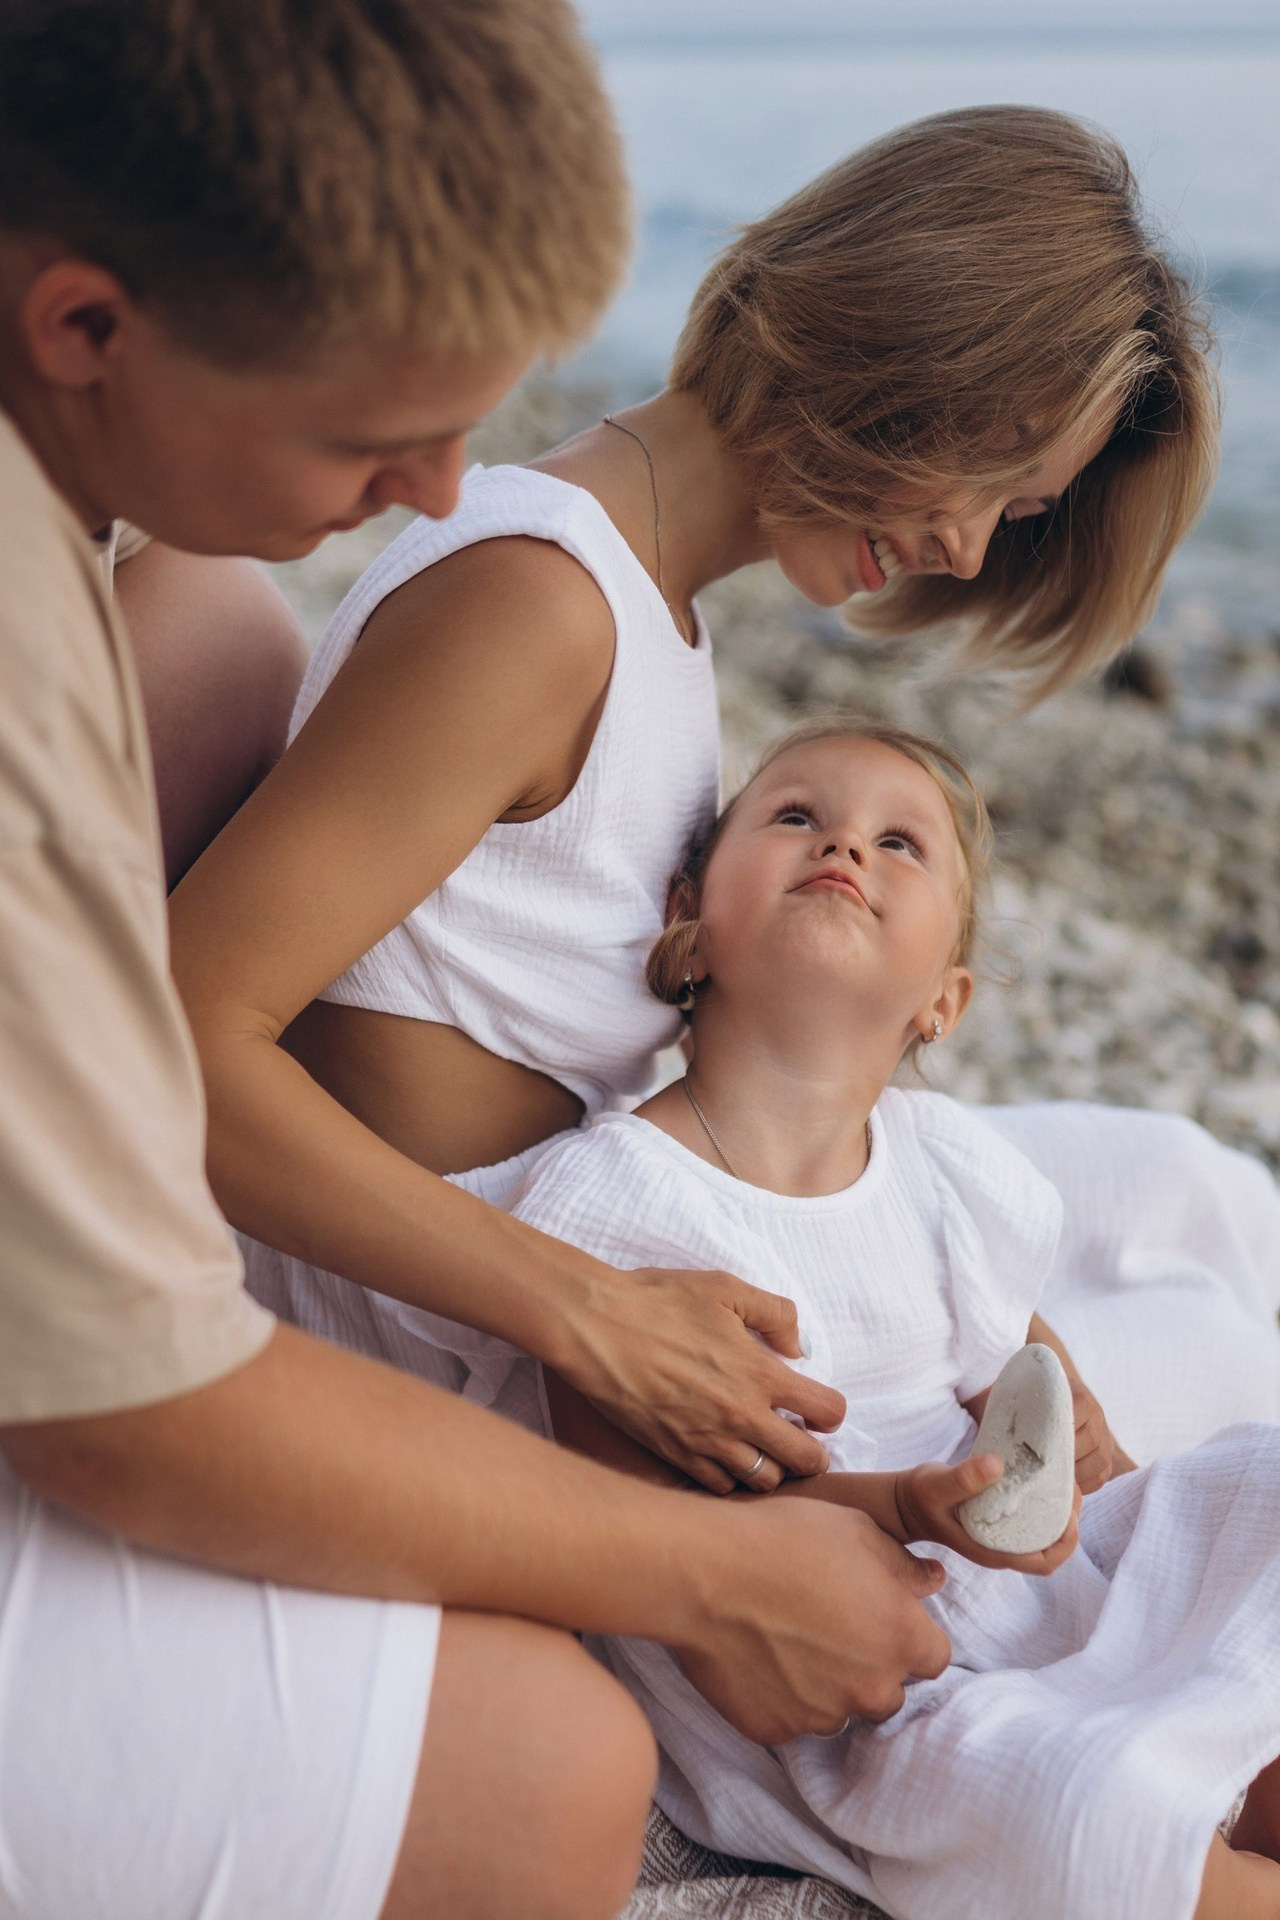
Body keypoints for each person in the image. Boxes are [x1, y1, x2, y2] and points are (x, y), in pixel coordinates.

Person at [0, 7, 953, 1918]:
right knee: (559, 1768)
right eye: (374, 435)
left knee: (219, 625)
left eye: (474, 418)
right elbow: (119, 1408)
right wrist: (702, 1570)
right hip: (85, 1387)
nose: (447, 493)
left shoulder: (126, 536)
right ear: (88, 327)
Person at [170, 104, 1275, 1498]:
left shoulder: (653, 617)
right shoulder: (541, 610)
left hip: (616, 1267)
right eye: (992, 475)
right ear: (911, 331)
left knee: (1193, 1193)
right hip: (480, 1363)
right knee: (1227, 1394)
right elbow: (180, 1049)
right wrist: (595, 1311)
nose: (963, 542)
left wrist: (985, 1307)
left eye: (1019, 513)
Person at [503, 719, 1280, 1920]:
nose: (845, 848)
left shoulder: (941, 1169)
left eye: (897, 841)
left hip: (1048, 1584)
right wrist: (898, 1508)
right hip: (873, 1692)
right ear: (688, 918)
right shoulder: (613, 1203)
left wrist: (1078, 1425)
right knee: (1079, 1814)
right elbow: (632, 1525)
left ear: (942, 1001)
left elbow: (1018, 1341)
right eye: (796, 817)